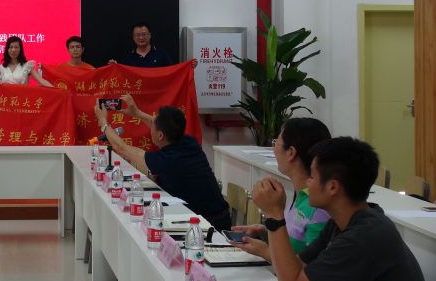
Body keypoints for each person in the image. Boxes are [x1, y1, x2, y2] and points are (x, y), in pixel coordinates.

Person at [251, 137, 424, 281]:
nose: (308, 182)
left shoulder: (361, 238)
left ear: (332, 187)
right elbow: (298, 267)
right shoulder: (342, 222)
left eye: (312, 176)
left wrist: (274, 214)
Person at [94, 94, 231, 230]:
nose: (150, 125)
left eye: (153, 124)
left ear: (160, 135)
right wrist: (137, 113)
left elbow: (122, 148)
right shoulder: (187, 142)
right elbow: (162, 127)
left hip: (211, 225)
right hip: (215, 215)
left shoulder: (168, 160)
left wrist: (103, 123)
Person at [232, 118, 332, 260]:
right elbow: (294, 242)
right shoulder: (301, 195)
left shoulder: (318, 208)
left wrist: (266, 252)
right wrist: (266, 232)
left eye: (276, 143)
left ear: (291, 152)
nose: (274, 150)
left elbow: (311, 267)